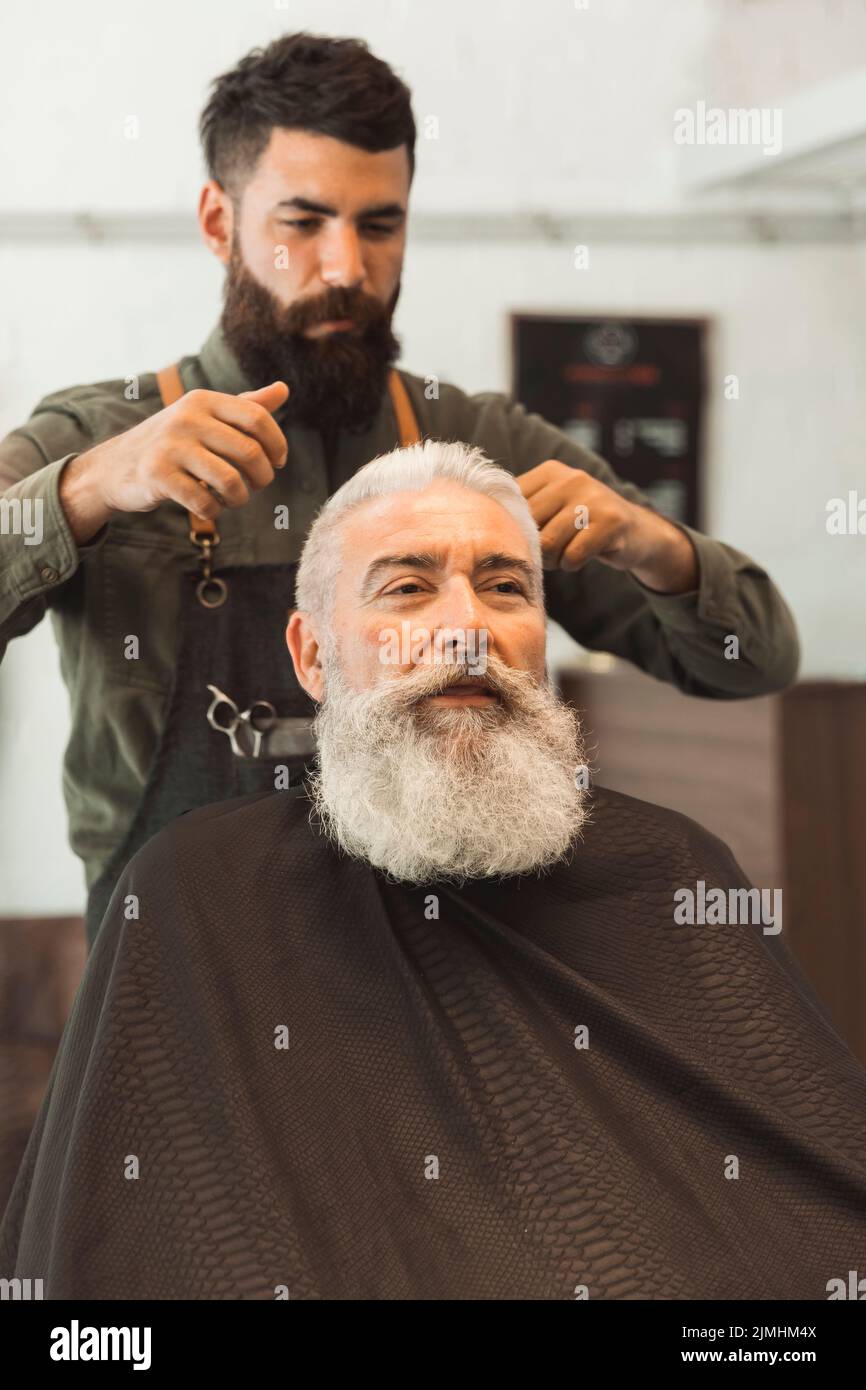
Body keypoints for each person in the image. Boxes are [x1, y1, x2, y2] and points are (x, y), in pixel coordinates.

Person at [1, 441, 861, 1301]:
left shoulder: (674, 868)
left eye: (506, 587)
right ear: (310, 658)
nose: (468, 627)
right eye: (408, 587)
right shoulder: (198, 889)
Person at [0, 33, 799, 946]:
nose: (346, 268)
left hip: (441, 962)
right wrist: (84, 492)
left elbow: (756, 662)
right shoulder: (99, 436)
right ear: (220, 222)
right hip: (177, 963)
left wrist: (651, 547)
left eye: (380, 225)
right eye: (302, 223)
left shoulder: (481, 443)